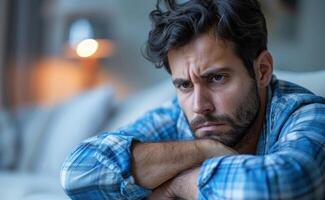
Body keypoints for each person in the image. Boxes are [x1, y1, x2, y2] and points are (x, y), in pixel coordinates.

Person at [61, 0, 325, 199]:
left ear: (262, 70)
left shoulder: (307, 113)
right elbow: (78, 173)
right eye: (184, 85)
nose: (199, 106)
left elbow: (285, 184)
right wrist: (203, 149)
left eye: (217, 78)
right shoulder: (178, 115)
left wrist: (181, 184)